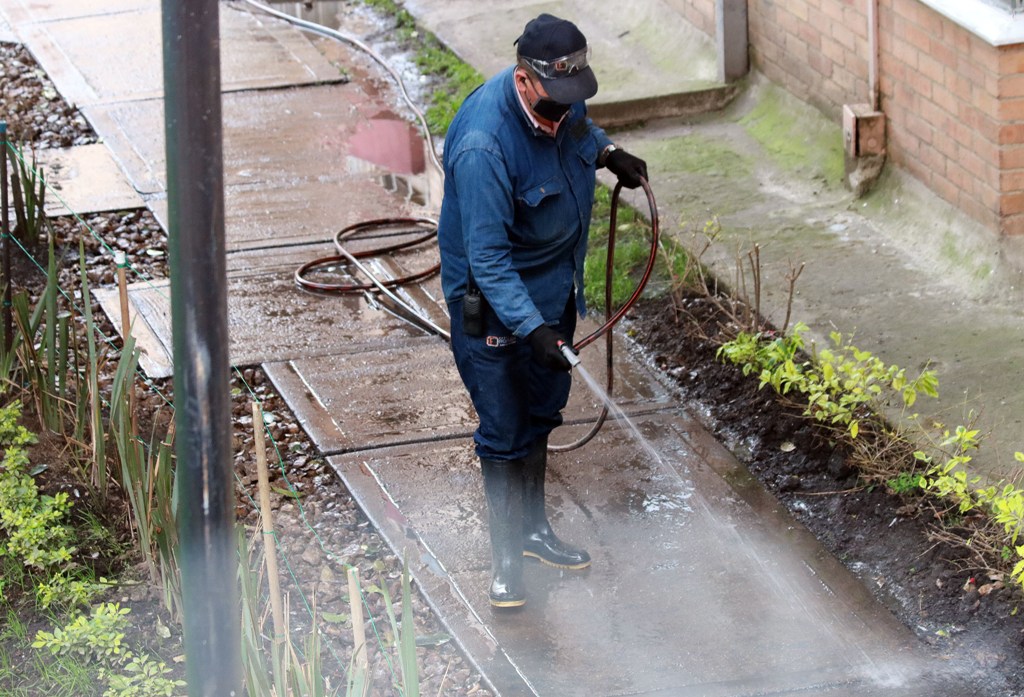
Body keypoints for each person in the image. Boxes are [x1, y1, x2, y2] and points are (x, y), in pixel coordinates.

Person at [437, 13, 649, 608]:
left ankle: (533, 532)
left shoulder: (561, 101)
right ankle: (506, 555)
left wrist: (608, 152)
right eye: (555, 104)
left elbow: (579, 128)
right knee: (504, 431)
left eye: (572, 101)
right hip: (497, 306)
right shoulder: (484, 145)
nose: (565, 112)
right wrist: (530, 330)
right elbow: (487, 258)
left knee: (541, 416)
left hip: (554, 290)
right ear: (524, 79)